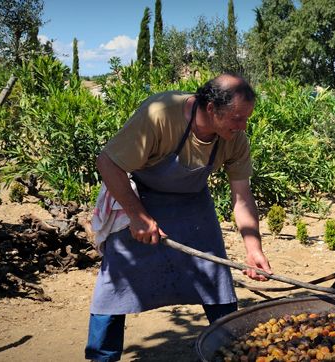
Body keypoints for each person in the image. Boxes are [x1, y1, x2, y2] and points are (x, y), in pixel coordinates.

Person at [86, 74, 272, 361]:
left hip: (193, 204)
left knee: (216, 279)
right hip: (138, 199)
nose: (242, 126)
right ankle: (102, 356)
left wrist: (253, 248)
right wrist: (137, 216)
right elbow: (108, 162)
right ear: (211, 108)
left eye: (246, 118)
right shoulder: (160, 114)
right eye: (237, 118)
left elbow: (242, 197)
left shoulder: (235, 139)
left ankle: (232, 351)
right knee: (116, 284)